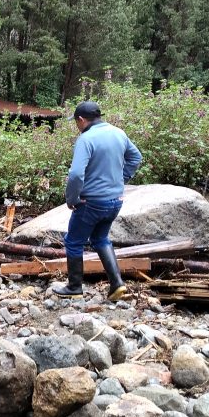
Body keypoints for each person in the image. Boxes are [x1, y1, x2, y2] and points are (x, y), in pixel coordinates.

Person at [53, 101, 142, 300]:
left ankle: (74, 287)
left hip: (91, 203)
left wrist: (72, 198)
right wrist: (122, 179)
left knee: (74, 242)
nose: (77, 125)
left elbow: (76, 174)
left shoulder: (86, 139)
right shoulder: (119, 133)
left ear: (82, 120)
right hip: (115, 201)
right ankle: (117, 284)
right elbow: (136, 158)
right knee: (100, 239)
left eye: (76, 122)